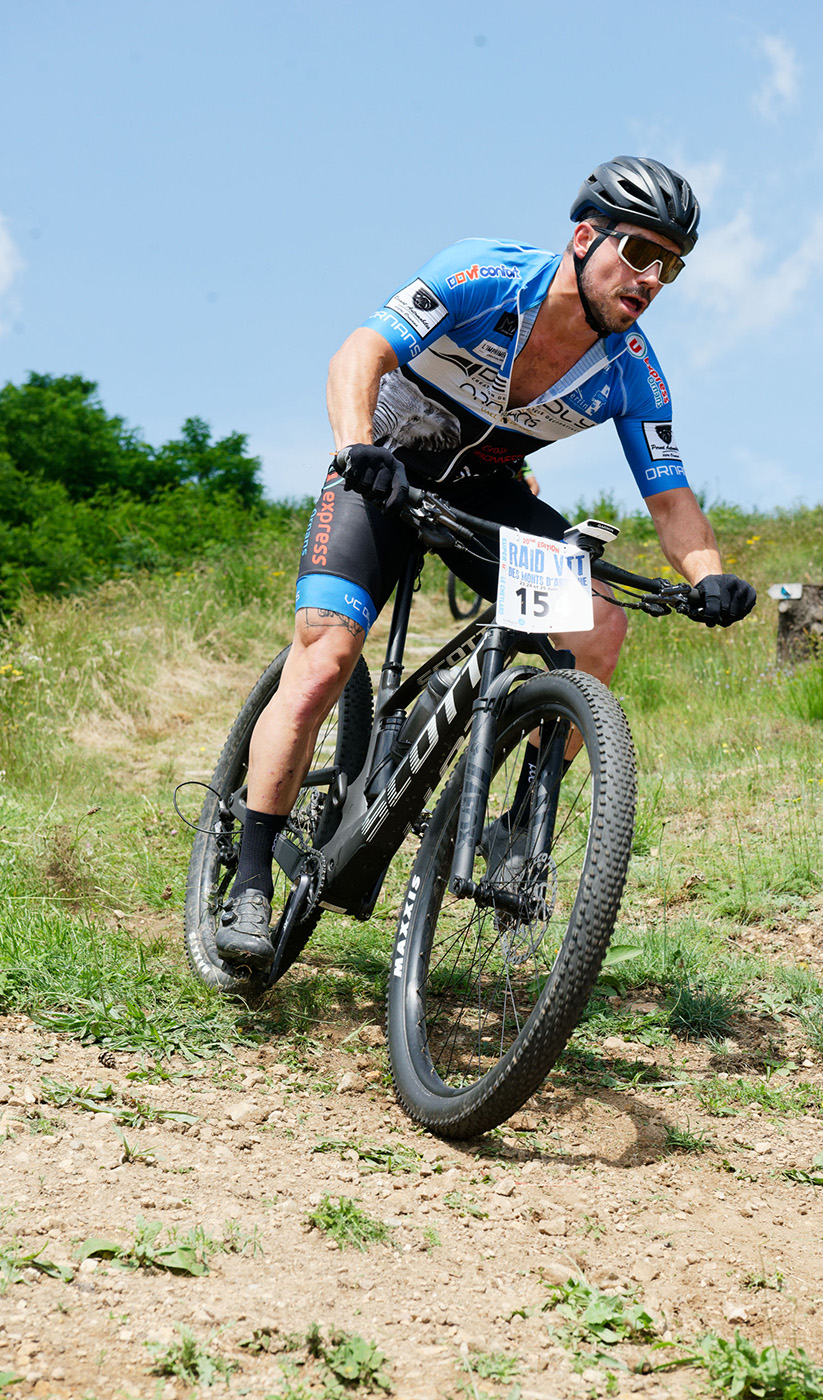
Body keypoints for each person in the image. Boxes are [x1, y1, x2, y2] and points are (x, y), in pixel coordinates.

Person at [216, 156, 756, 969]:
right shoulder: (484, 273)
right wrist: (356, 447)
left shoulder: (632, 370)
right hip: (386, 472)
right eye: (640, 252)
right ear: (585, 237)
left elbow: (672, 501)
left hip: (487, 492)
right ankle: (250, 876)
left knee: (599, 629)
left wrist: (706, 574)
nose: (652, 278)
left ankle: (518, 827)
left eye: (671, 266)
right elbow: (358, 353)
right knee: (325, 661)